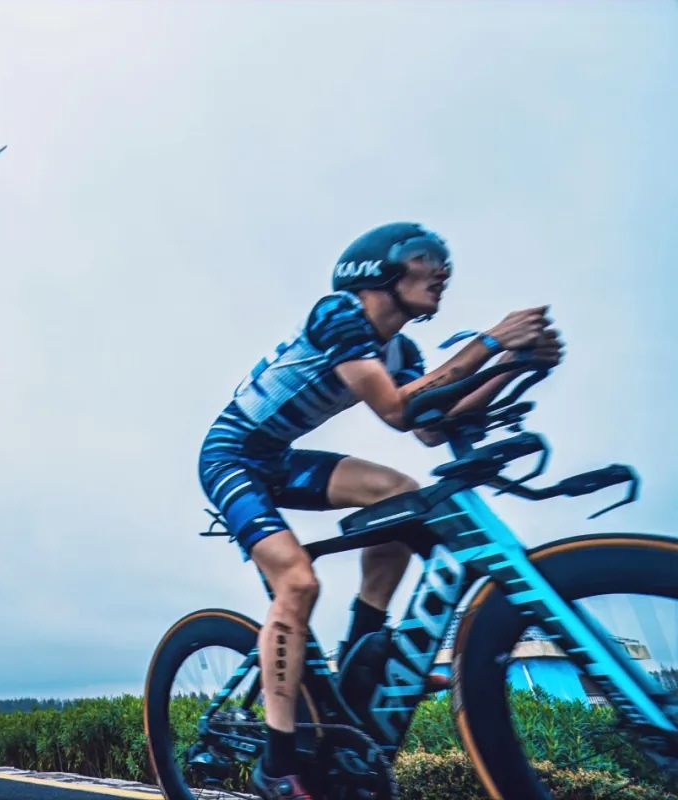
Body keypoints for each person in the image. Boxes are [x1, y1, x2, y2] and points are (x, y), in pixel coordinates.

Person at [197, 222, 563, 800]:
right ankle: (277, 764)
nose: (442, 270)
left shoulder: (401, 351)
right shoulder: (337, 314)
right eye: (426, 256)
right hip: (232, 456)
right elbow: (395, 408)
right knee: (297, 582)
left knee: (402, 499)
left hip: (279, 458)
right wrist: (490, 342)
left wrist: (511, 364)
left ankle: (361, 666)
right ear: (377, 269)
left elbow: (431, 426)